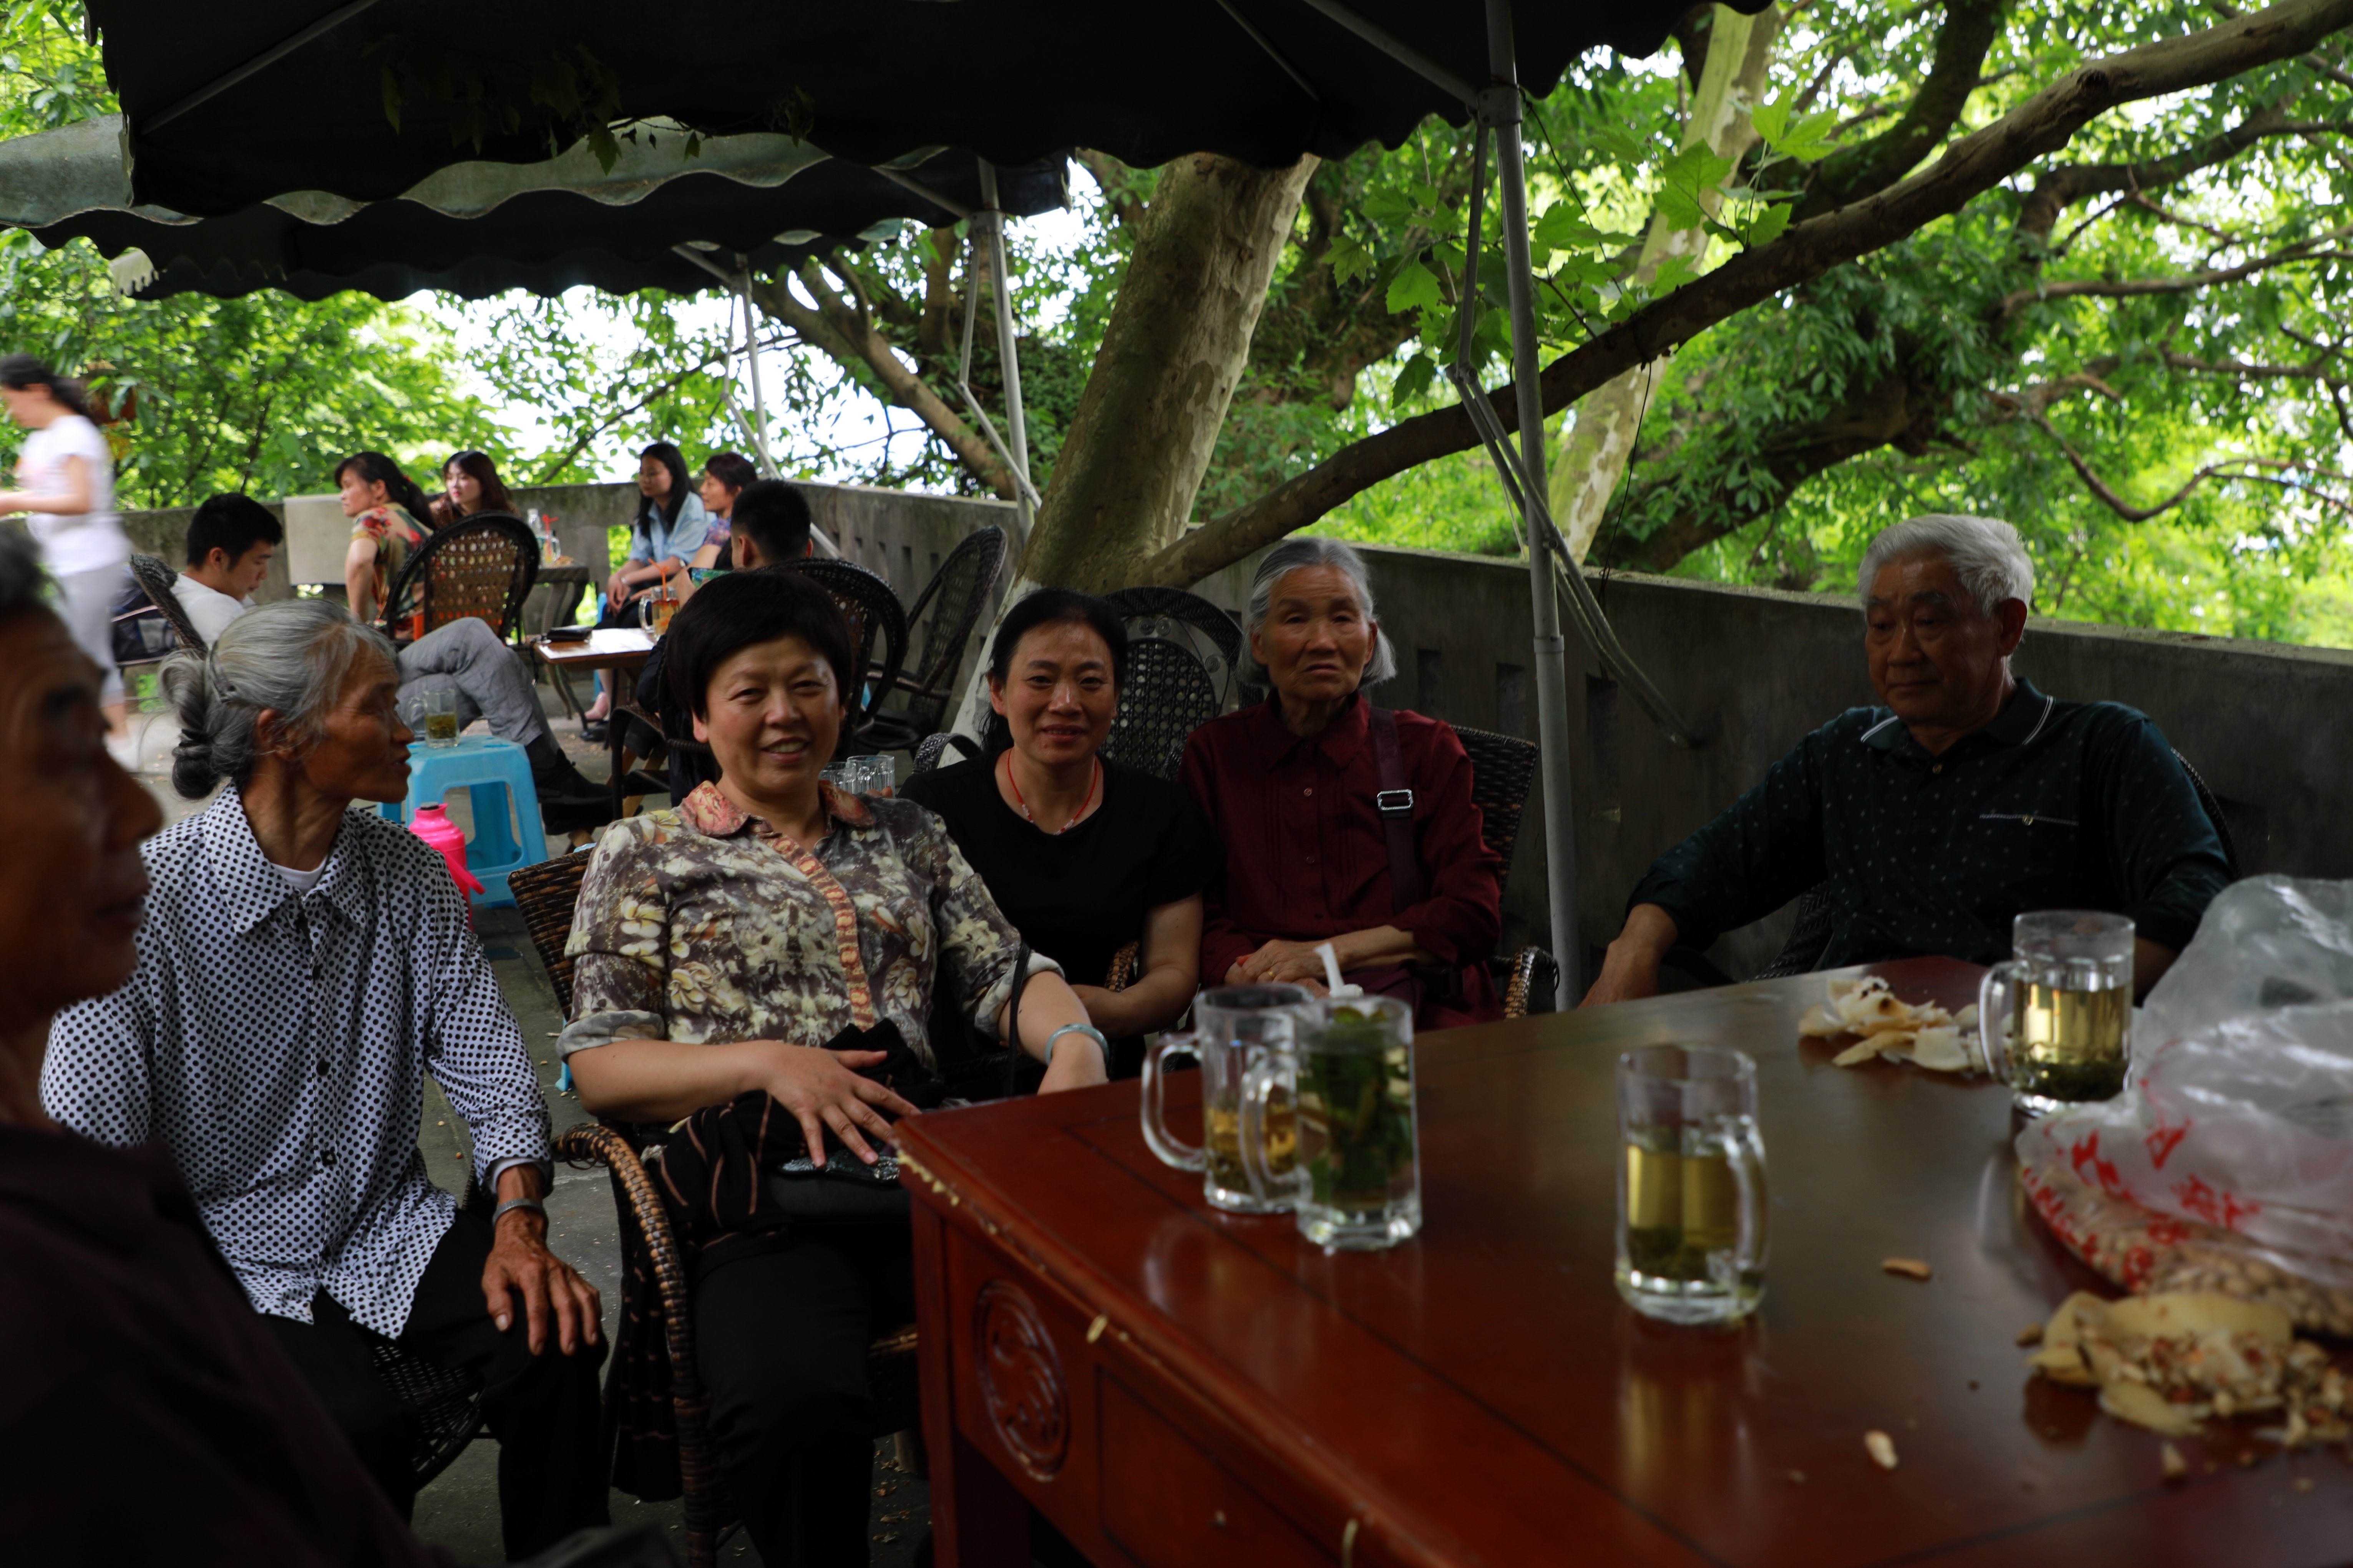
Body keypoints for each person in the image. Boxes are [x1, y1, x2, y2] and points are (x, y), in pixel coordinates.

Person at [562, 568, 1108, 1566]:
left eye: (808, 685)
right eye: (750, 691)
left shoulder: (907, 833)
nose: (783, 714)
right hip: (764, 1200)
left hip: (927, 1170)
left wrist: (1075, 1041)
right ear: (698, 710)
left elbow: (1006, 971)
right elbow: (605, 1066)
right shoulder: (642, 852)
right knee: (794, 1404)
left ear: (843, 695)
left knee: (1100, 1345)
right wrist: (770, 1064)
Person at [43, 600, 611, 1559]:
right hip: (223, 1259)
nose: (407, 726)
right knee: (352, 1434)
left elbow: (486, 1059)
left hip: (383, 1222)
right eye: (380, 706)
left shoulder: (407, 875)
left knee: (556, 1337)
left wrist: (517, 1217)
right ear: (284, 735)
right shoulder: (141, 907)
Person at [1582, 514, 2234, 1006]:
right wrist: (1632, 948)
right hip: (1851, 1055)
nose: (1899, 652)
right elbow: (1716, 862)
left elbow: (2196, 893)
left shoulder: (2101, 746)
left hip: (2011, 1059)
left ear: (2006, 626)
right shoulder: (1847, 753)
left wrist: (2055, 1003)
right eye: (1880, 626)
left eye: (1928, 622)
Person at [1180, 537, 1504, 1028]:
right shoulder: (1215, 757)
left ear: (1370, 639)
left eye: (1342, 618)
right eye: (1295, 619)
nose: (1323, 641)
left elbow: (1472, 912)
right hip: (1267, 1015)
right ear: (1258, 642)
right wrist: (1274, 983)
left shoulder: (1426, 750)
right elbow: (1199, 915)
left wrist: (1322, 956)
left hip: (1418, 1017)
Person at [903, 589, 1219, 1077]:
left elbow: (1175, 972)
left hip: (1104, 1064)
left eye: (1091, 682)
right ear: (999, 691)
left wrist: (1086, 1018)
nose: (1066, 702)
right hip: (960, 1072)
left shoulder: (1161, 813)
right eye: (1041, 680)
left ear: (1117, 695)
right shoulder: (935, 805)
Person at [0, 353, 133, 739]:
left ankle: (78, 742)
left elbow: (83, 500)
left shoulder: (76, 432)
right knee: (89, 650)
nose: (11, 411)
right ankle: (117, 744)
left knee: (67, 651)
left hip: (90, 560)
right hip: (65, 563)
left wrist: (14, 501)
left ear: (38, 391)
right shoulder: (44, 439)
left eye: (12, 400)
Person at [583, 442, 709, 739]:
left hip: (679, 591)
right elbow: (638, 557)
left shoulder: (691, 506)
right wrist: (618, 577)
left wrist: (630, 582)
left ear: (674, 474)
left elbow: (678, 562)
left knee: (626, 620)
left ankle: (633, 709)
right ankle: (615, 707)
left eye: (653, 473)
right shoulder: (650, 510)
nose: (645, 479)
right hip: (655, 587)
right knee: (606, 622)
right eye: (642, 473)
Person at [339, 451, 438, 627]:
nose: (343, 496)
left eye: (348, 486)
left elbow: (361, 562)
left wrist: (356, 625)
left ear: (378, 488)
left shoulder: (374, 518)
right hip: (438, 626)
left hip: (407, 635)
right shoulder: (416, 522)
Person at [174, 491, 284, 646]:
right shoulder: (210, 608)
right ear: (219, 559)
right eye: (259, 562)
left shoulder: (211, 593)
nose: (264, 575)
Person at [689, 451, 758, 572]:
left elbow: (696, 574)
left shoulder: (723, 527)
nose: (702, 490)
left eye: (710, 484)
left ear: (736, 491)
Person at [433, 448, 519, 528]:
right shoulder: (438, 514)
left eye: (463, 478)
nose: (454, 485)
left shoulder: (505, 513)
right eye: (450, 478)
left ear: (484, 481)